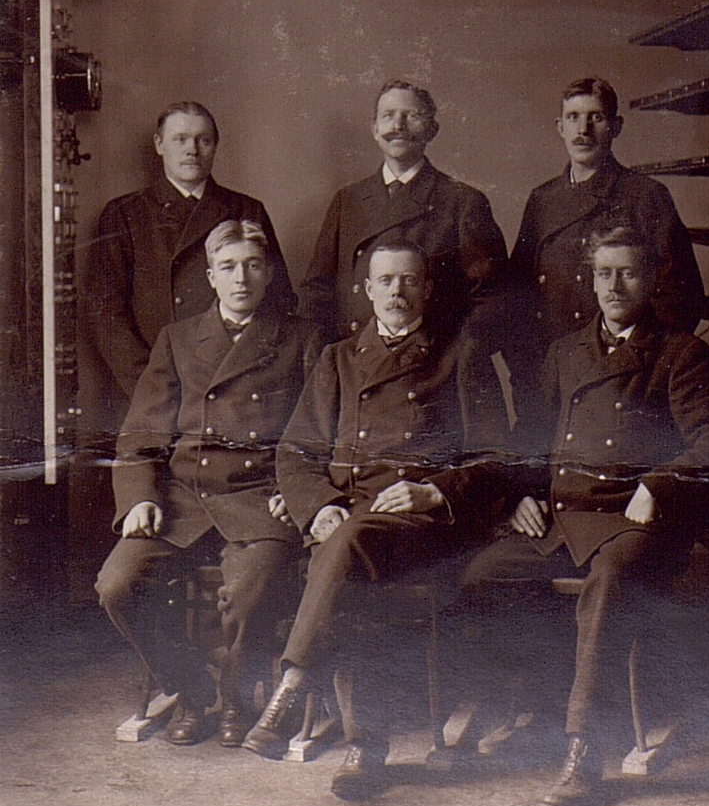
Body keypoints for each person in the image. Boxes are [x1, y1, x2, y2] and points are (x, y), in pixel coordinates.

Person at [463, 220, 709, 806]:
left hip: (636, 519)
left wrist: (659, 484)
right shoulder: (565, 352)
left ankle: (584, 748)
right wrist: (519, 496)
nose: (615, 286)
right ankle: (535, 704)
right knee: (481, 576)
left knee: (609, 582)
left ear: (652, 280)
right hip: (566, 516)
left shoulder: (680, 353)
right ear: (590, 281)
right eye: (605, 273)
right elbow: (531, 438)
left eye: (629, 273)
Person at [242, 238, 510, 797]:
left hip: (425, 525)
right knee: (349, 556)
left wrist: (433, 492)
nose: (397, 292)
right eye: (385, 281)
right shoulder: (338, 359)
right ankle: (363, 748)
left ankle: (294, 682)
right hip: (351, 518)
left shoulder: (460, 354)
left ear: (427, 289)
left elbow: (496, 457)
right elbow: (295, 453)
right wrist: (318, 506)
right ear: (367, 291)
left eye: (409, 280)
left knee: (347, 547)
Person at [95, 221, 323, 748]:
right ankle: (192, 689)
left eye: (253, 266)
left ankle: (237, 697)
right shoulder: (177, 339)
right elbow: (142, 432)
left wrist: (298, 491)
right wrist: (140, 497)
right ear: (211, 277)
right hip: (184, 498)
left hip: (261, 496)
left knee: (248, 596)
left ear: (269, 274)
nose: (241, 278)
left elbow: (319, 431)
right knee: (116, 586)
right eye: (228, 267)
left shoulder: (302, 338)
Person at [505, 77, 704, 436]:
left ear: (616, 126)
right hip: (550, 378)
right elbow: (516, 295)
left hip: (625, 382)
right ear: (560, 127)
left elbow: (681, 299)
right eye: (573, 117)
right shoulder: (543, 200)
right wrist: (527, 367)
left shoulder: (646, 196)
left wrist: (635, 366)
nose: (583, 130)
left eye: (595, 118)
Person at [88, 101, 296, 414]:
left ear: (215, 146)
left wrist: (240, 380)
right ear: (159, 145)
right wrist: (151, 385)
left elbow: (277, 299)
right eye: (180, 139)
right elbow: (106, 315)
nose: (192, 150)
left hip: (231, 390)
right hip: (149, 389)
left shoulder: (246, 210)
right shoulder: (124, 214)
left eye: (204, 140)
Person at [299, 81, 507, 346]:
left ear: (432, 130)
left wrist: (454, 356)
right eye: (388, 116)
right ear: (375, 129)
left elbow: (491, 298)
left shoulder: (462, 202)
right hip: (356, 356)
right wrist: (325, 357)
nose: (398, 125)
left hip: (431, 360)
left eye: (411, 116)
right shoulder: (347, 200)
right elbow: (317, 292)